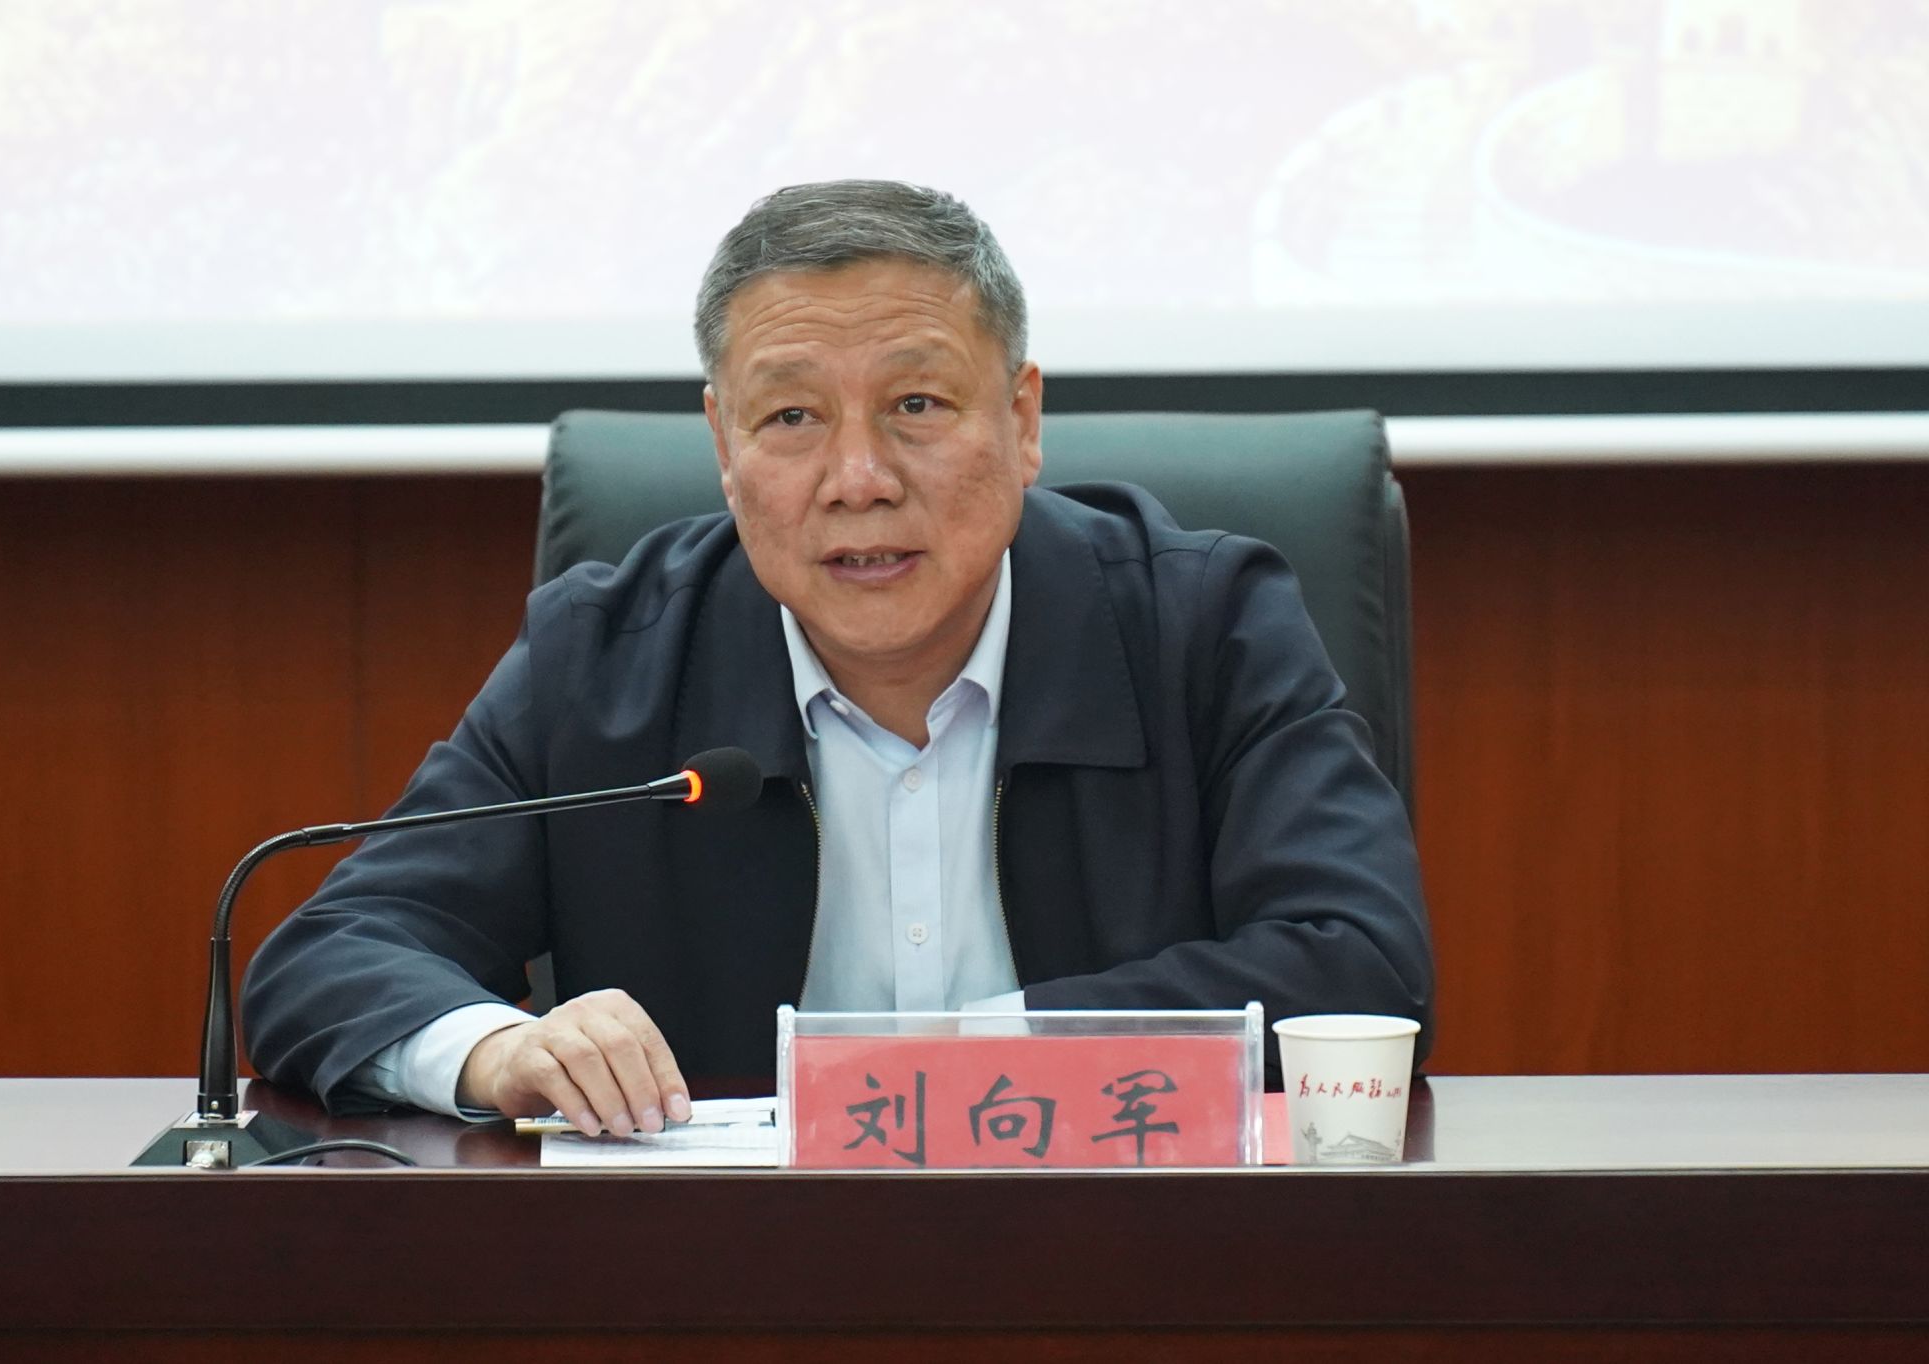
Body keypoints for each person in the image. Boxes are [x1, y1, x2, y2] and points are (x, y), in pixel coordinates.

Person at [242, 180, 1433, 1133]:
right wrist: (501, 1048)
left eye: (916, 404)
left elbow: (1360, 962)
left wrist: (960, 1063)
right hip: (721, 1284)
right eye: (791, 417)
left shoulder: (1202, 625)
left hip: (1119, 1257)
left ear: (1021, 421)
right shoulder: (602, 660)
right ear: (723, 446)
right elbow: (332, 955)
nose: (857, 479)